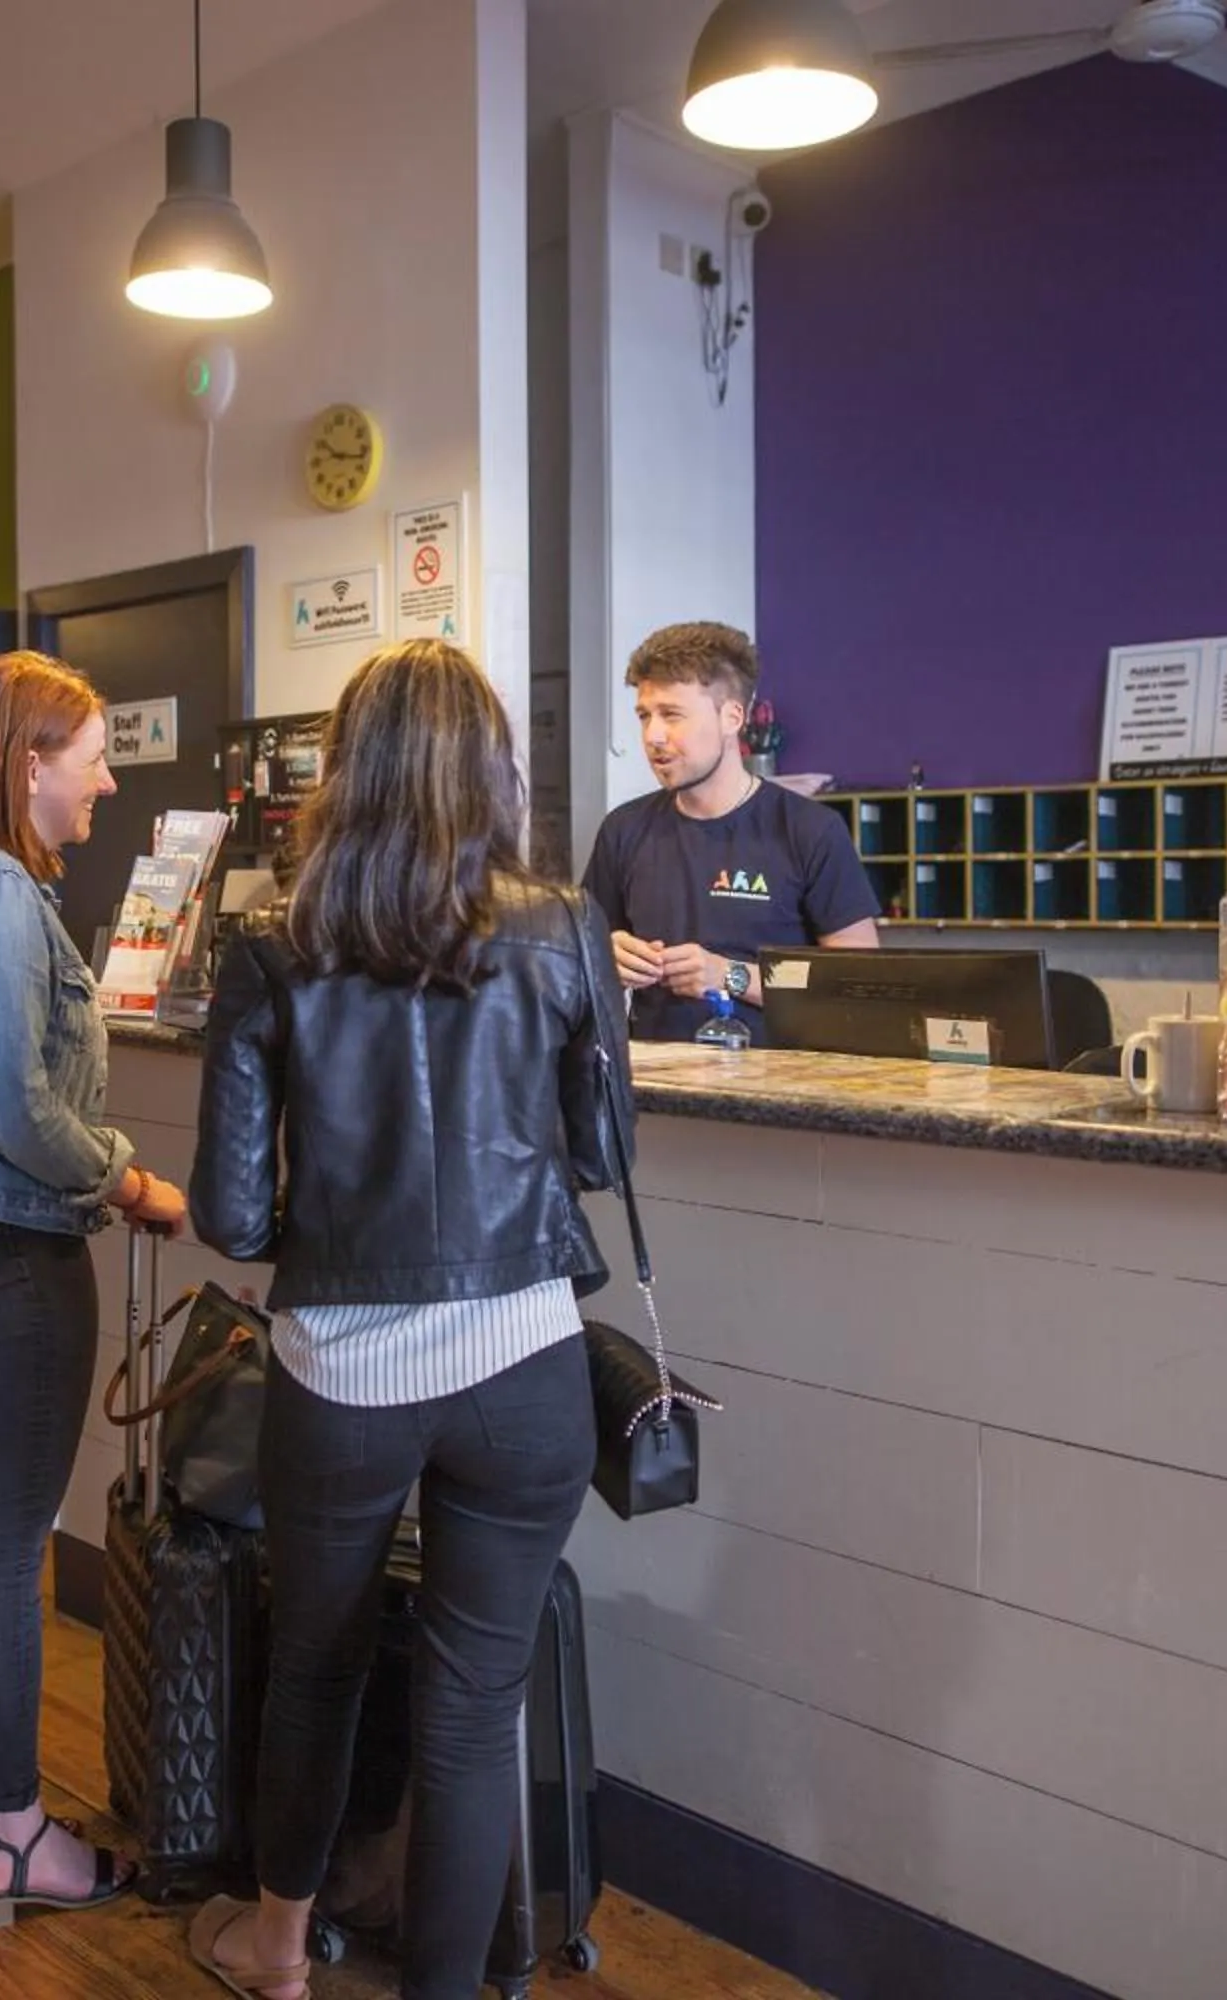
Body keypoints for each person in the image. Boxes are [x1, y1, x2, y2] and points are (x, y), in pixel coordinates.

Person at [187, 638, 632, 2000]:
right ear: (494, 770)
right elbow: (601, 1153)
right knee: (469, 1705)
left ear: (343, 772)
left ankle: (275, 1947)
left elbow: (231, 1215)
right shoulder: (561, 928)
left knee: (314, 1668)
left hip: (343, 1374)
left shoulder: (273, 939)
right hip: (526, 1373)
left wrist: (323, 1224)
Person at [0, 650, 187, 1929]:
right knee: (6, 1552)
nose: (107, 781)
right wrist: (125, 1179)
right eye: (93, 755)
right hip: (9, 1251)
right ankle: (13, 1835)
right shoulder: (0, 894)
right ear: (28, 764)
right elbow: (17, 1106)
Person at [582, 621, 882, 1042]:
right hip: (654, 1090)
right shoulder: (623, 830)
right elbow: (576, 964)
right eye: (644, 716)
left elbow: (861, 987)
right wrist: (605, 958)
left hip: (778, 1091)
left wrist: (731, 976)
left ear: (732, 717)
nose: (653, 736)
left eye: (672, 715)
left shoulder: (808, 830)